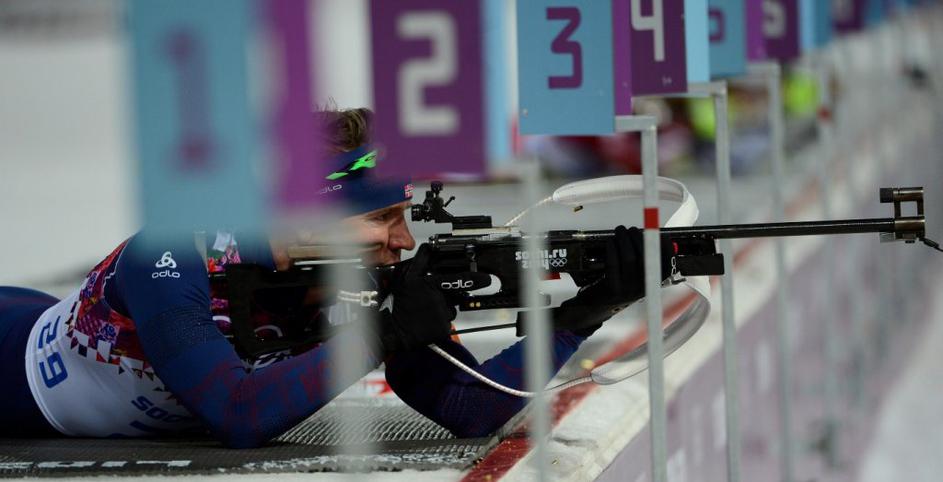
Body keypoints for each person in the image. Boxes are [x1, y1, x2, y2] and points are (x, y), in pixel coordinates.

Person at [0, 108, 671, 447]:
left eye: (404, 217)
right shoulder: (170, 253)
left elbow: (468, 409)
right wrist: (377, 336)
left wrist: (581, 314)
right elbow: (237, 415)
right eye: (381, 219)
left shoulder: (356, 276)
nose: (403, 242)